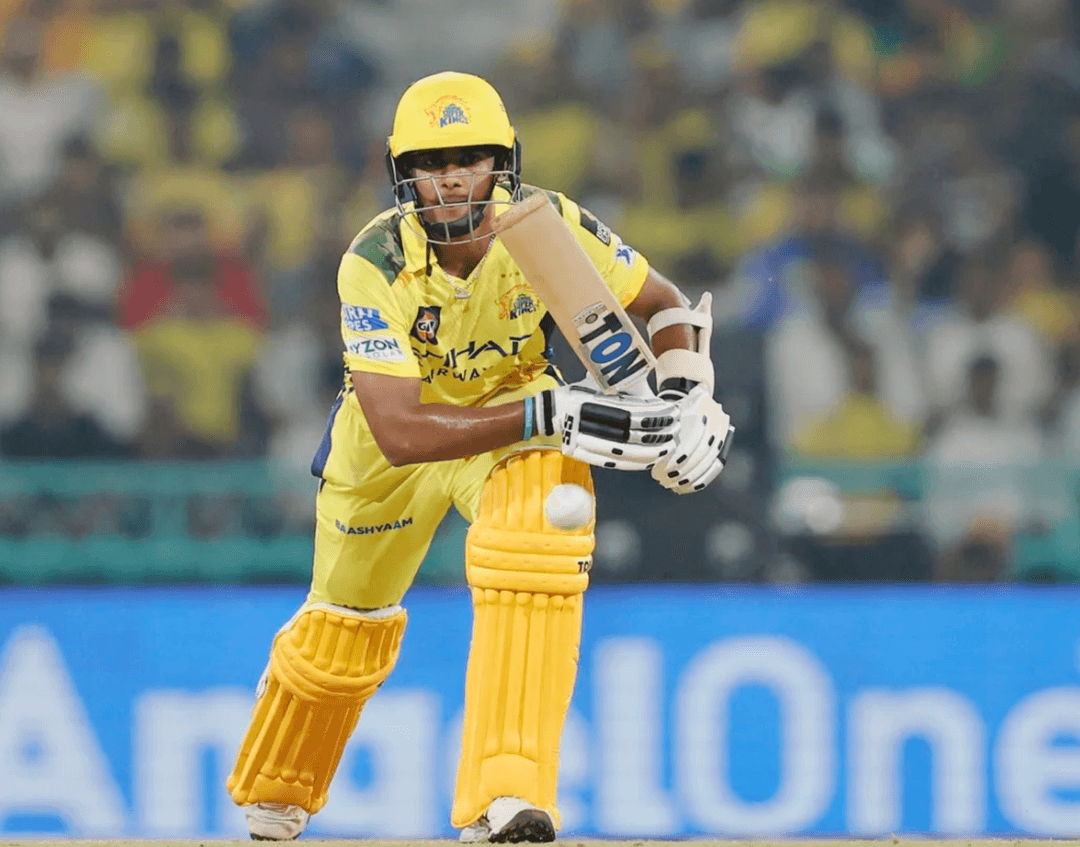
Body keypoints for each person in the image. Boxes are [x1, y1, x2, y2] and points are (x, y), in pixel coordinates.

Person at [225, 71, 733, 843]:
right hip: (393, 444)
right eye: (433, 162)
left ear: (504, 163)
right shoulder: (374, 260)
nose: (453, 178)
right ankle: (281, 771)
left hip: (512, 414)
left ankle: (507, 793)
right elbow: (400, 430)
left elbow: (661, 303)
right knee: (344, 629)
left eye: (470, 158)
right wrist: (551, 412)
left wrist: (685, 392)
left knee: (538, 550)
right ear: (403, 174)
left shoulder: (548, 226)